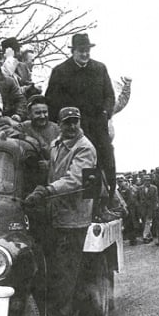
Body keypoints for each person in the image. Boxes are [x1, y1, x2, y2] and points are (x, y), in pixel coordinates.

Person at [23, 106, 97, 316]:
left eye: (75, 121)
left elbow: (76, 179)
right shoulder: (56, 144)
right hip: (56, 215)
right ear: (60, 124)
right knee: (55, 270)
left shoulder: (85, 148)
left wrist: (46, 190)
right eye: (67, 122)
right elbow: (54, 171)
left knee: (66, 273)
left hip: (74, 218)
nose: (72, 126)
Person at [44, 33, 116, 207]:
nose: (85, 54)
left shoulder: (100, 68)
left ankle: (105, 204)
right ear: (73, 51)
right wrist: (64, 124)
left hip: (98, 126)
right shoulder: (60, 71)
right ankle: (88, 208)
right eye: (81, 51)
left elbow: (110, 96)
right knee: (82, 169)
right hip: (73, 128)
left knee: (106, 162)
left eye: (87, 51)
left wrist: (106, 114)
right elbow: (51, 102)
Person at [17, 94, 60, 159]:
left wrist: (49, 164)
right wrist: (26, 137)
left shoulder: (57, 129)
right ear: (29, 114)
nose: (42, 116)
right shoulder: (24, 126)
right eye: (38, 113)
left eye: (45, 112)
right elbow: (7, 131)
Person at [117, 175, 139, 245]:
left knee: (130, 225)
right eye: (118, 182)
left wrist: (125, 207)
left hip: (129, 209)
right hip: (122, 209)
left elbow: (131, 200)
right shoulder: (118, 190)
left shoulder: (127, 189)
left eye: (121, 181)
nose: (120, 183)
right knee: (124, 224)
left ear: (124, 181)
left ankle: (133, 240)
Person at [138, 174, 158, 243]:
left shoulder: (154, 188)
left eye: (149, 180)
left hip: (150, 208)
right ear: (143, 181)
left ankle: (145, 237)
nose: (147, 182)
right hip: (142, 208)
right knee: (145, 222)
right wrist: (139, 205)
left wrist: (155, 207)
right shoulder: (140, 188)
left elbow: (155, 199)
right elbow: (137, 198)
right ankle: (150, 236)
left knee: (148, 222)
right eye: (146, 180)